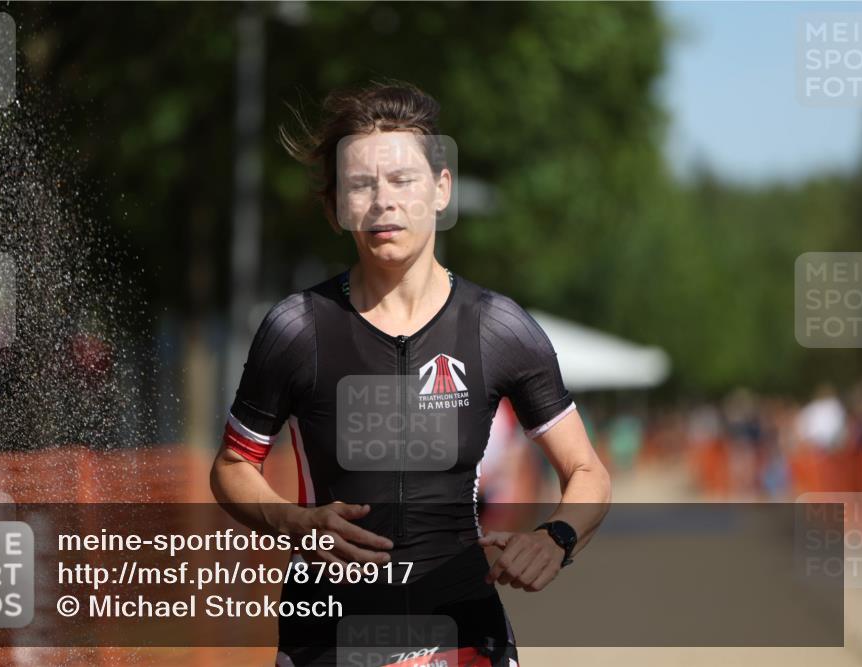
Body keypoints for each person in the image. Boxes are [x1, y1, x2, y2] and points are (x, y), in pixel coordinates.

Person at [210, 80, 612, 667]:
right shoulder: (298, 329)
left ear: (441, 190)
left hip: (463, 633)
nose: (382, 200)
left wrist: (556, 539)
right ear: (335, 207)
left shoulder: (496, 327)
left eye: (402, 179)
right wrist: (291, 519)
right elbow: (230, 467)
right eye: (360, 184)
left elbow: (587, 472)